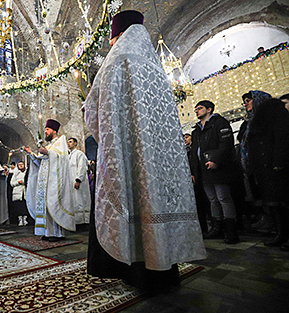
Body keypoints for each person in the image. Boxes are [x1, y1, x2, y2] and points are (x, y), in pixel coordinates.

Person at [84, 10, 206, 294]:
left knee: (134, 206)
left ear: (116, 35)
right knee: (156, 210)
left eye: (112, 39)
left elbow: (93, 111)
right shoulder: (156, 67)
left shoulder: (115, 61)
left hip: (129, 155)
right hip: (160, 159)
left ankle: (137, 274)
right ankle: (165, 272)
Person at [190, 100, 240, 244]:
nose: (196, 111)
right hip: (203, 170)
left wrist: (216, 161)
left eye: (200, 108)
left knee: (223, 197)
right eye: (196, 109)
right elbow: (194, 153)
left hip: (218, 168)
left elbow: (225, 145)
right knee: (212, 199)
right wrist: (194, 171)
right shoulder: (196, 130)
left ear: (209, 109)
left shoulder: (219, 123)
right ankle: (217, 227)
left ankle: (231, 230)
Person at [245, 98, 289, 249]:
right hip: (263, 168)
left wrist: (278, 163)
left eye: (248, 100)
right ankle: (280, 234)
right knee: (273, 204)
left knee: (284, 202)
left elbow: (282, 139)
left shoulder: (278, 114)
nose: (245, 104)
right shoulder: (257, 120)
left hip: (277, 166)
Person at [24, 119, 75, 242]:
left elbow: (62, 159)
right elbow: (39, 162)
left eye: (47, 130)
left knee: (53, 205)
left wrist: (49, 153)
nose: (45, 132)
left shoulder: (60, 141)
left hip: (54, 182)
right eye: (45, 130)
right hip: (44, 182)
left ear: (54, 131)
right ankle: (47, 232)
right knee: (45, 207)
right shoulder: (50, 145)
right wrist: (31, 154)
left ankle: (57, 234)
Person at [239, 91, 274, 233]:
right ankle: (267, 219)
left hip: (268, 162)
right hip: (253, 164)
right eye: (244, 101)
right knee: (259, 194)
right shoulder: (248, 122)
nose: (246, 103)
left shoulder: (268, 119)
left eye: (249, 100)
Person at [67, 137, 91, 226]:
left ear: (76, 143)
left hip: (79, 182)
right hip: (71, 183)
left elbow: (82, 168)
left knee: (81, 201)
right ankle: (76, 222)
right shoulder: (68, 156)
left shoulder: (79, 154)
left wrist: (78, 179)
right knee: (75, 201)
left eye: (70, 142)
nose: (68, 144)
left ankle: (83, 222)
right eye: (68, 142)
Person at [10, 160, 33, 226]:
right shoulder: (16, 173)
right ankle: (20, 219)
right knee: (19, 206)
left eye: (22, 164)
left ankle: (25, 219)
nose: (20, 166)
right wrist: (18, 182)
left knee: (25, 206)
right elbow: (12, 183)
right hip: (18, 191)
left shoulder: (27, 173)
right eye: (19, 165)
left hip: (25, 191)